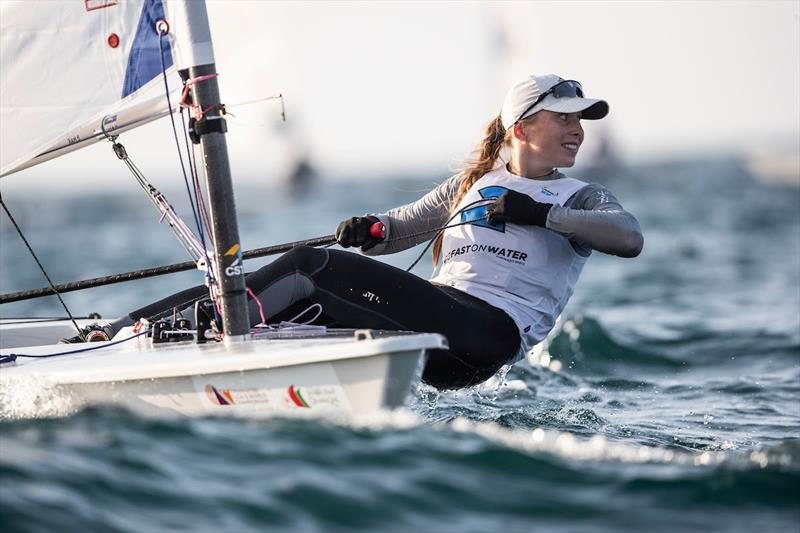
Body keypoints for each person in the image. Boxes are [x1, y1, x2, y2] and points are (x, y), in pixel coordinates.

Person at [72, 74, 643, 390]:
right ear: (522, 126)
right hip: (436, 322)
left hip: (488, 334)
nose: (576, 130)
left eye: (580, 121)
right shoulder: (473, 183)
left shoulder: (579, 196)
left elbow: (628, 237)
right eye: (564, 117)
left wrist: (539, 214)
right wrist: (370, 228)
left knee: (304, 267)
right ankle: (130, 331)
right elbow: (401, 228)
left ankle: (151, 332)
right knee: (303, 297)